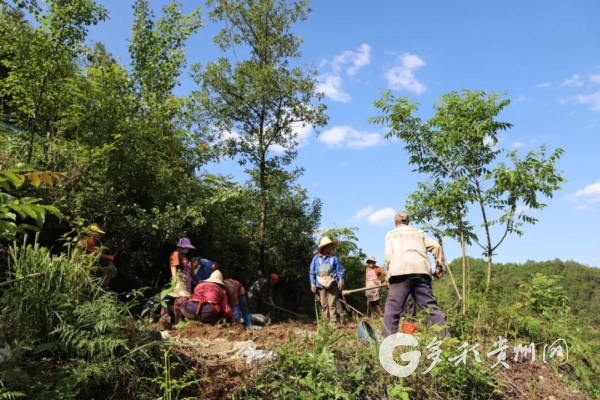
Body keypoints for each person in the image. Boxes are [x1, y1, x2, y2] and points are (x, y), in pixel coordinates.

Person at [381, 211, 450, 338]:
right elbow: (436, 246)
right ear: (408, 222)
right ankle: (446, 340)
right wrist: (440, 265)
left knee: (392, 308)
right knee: (430, 308)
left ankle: (386, 341)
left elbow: (389, 256)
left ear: (395, 222)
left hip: (399, 272)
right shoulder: (419, 233)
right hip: (421, 271)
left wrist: (388, 275)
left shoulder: (391, 234)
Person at [309, 237, 345, 325]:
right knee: (323, 304)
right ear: (324, 247)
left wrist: (341, 279)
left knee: (332, 304)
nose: (330, 248)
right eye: (328, 246)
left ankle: (333, 322)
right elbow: (312, 272)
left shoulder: (334, 258)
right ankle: (325, 323)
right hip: (320, 284)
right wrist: (312, 283)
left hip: (332, 283)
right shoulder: (316, 258)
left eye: (330, 246)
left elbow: (339, 269)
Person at [81, 224, 117, 289]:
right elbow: (93, 253)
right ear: (92, 234)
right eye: (98, 234)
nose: (99, 236)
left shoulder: (89, 241)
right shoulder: (89, 241)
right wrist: (108, 257)